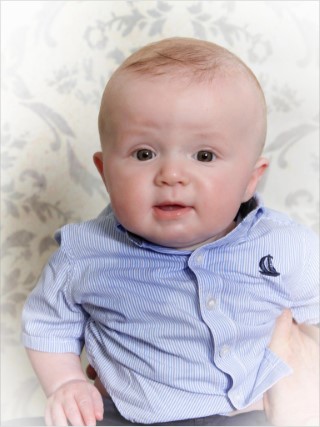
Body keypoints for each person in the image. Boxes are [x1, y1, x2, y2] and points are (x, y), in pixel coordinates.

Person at [21, 37, 319, 426]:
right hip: (127, 415)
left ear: (251, 179)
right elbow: (47, 324)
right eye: (144, 154)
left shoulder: (285, 246)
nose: (172, 175)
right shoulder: (84, 254)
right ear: (105, 173)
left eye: (204, 155)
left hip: (254, 410)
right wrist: (66, 383)